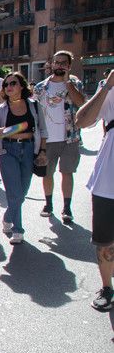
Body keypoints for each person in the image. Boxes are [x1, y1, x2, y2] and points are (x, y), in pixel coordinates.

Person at [0, 72, 48, 244]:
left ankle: (8, 217)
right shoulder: (0, 110)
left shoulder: (34, 106)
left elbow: (43, 130)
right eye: (6, 85)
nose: (9, 87)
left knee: (22, 193)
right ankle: (18, 230)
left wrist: (42, 151)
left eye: (13, 83)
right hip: (7, 151)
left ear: (21, 86)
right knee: (14, 193)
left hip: (28, 149)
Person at [75, 68, 114, 311]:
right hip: (108, 180)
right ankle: (107, 287)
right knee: (106, 239)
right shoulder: (109, 88)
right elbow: (82, 121)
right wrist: (107, 86)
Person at [34, 50, 86, 223]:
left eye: (63, 63)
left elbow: (81, 103)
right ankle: (48, 204)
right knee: (47, 173)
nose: (59, 65)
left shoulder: (75, 84)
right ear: (52, 64)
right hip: (47, 139)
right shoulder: (41, 87)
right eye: (57, 62)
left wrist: (68, 84)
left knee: (67, 172)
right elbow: (34, 112)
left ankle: (67, 207)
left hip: (70, 137)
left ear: (69, 66)